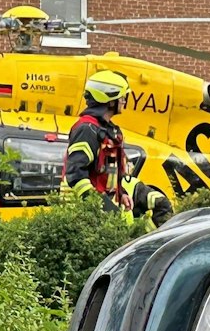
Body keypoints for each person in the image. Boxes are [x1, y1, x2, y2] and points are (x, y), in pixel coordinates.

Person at [64, 69, 173, 229]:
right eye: (122, 96)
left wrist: (121, 194)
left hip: (106, 209)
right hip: (89, 217)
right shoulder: (87, 129)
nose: (124, 101)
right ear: (110, 99)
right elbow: (75, 175)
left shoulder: (108, 130)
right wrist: (98, 205)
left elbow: (109, 174)